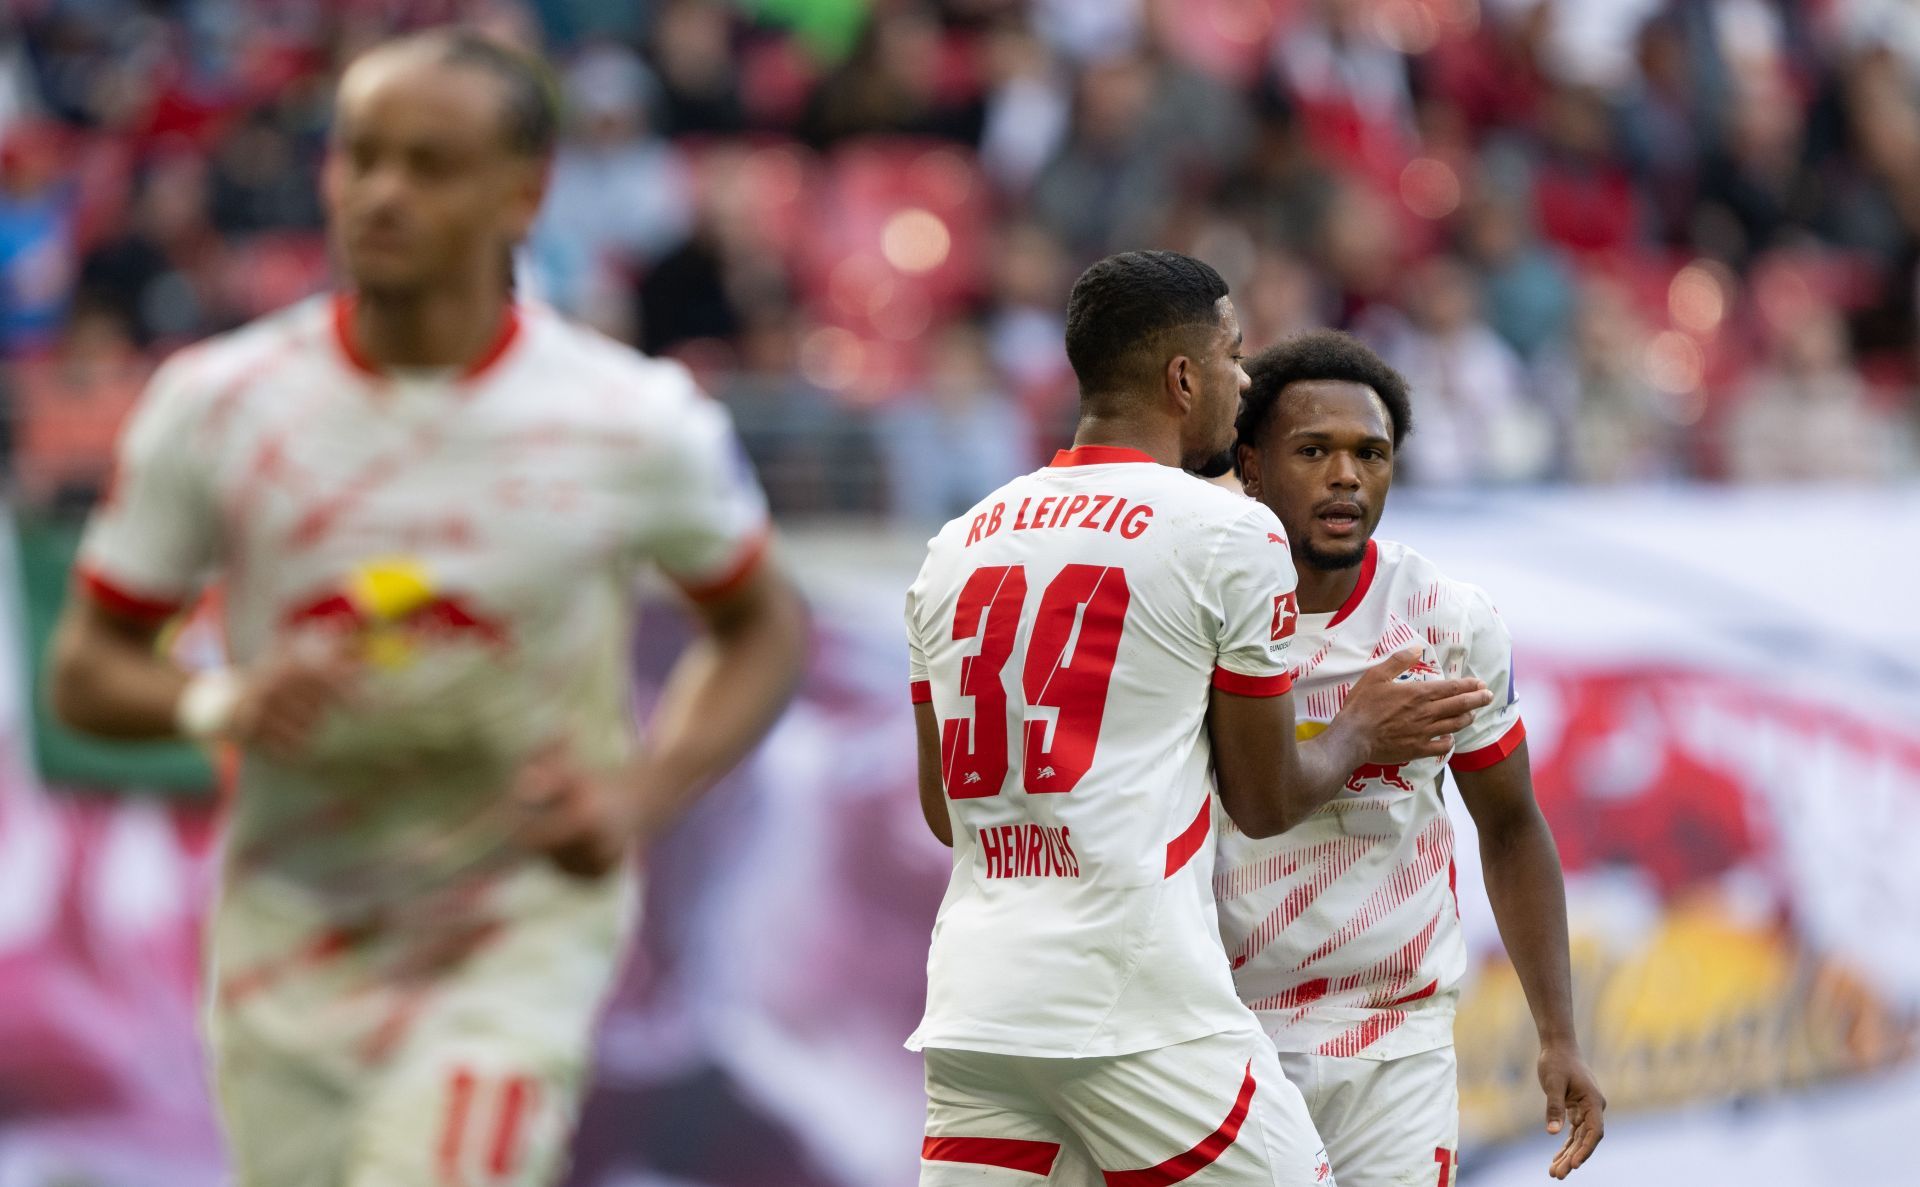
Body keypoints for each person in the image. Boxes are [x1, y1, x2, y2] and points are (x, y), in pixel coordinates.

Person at [45, 30, 808, 1187]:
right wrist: (222, 698)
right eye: (361, 157)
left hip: (512, 926)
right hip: (289, 939)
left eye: (430, 164)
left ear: (525, 190)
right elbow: (85, 669)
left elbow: (763, 625)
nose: (383, 193)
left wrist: (640, 793)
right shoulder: (218, 405)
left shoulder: (630, 419)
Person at [905, 251, 1492, 1185]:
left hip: (979, 1009)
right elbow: (1264, 799)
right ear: (1185, 378)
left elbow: (947, 810)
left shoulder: (957, 543)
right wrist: (1362, 729)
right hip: (1138, 1006)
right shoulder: (1226, 532)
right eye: (1233, 353)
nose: (1244, 378)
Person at [1217, 330, 1605, 1185]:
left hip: (1394, 1036)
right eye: (1313, 450)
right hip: (1222, 1031)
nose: (1346, 475)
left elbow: (1510, 825)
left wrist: (1557, 1033)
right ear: (1249, 462)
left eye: (1371, 453)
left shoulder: (1445, 620)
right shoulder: (1200, 608)